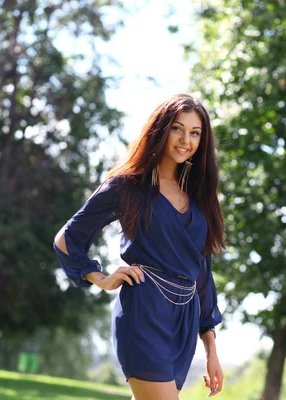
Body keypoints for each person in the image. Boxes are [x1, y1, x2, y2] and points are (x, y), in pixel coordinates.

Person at [53, 94, 226, 400]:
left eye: (195, 132)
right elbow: (68, 238)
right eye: (177, 128)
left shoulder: (199, 200)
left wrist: (211, 349)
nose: (186, 139)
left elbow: (202, 275)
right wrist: (101, 279)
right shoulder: (128, 186)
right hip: (145, 311)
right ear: (161, 130)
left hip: (184, 320)